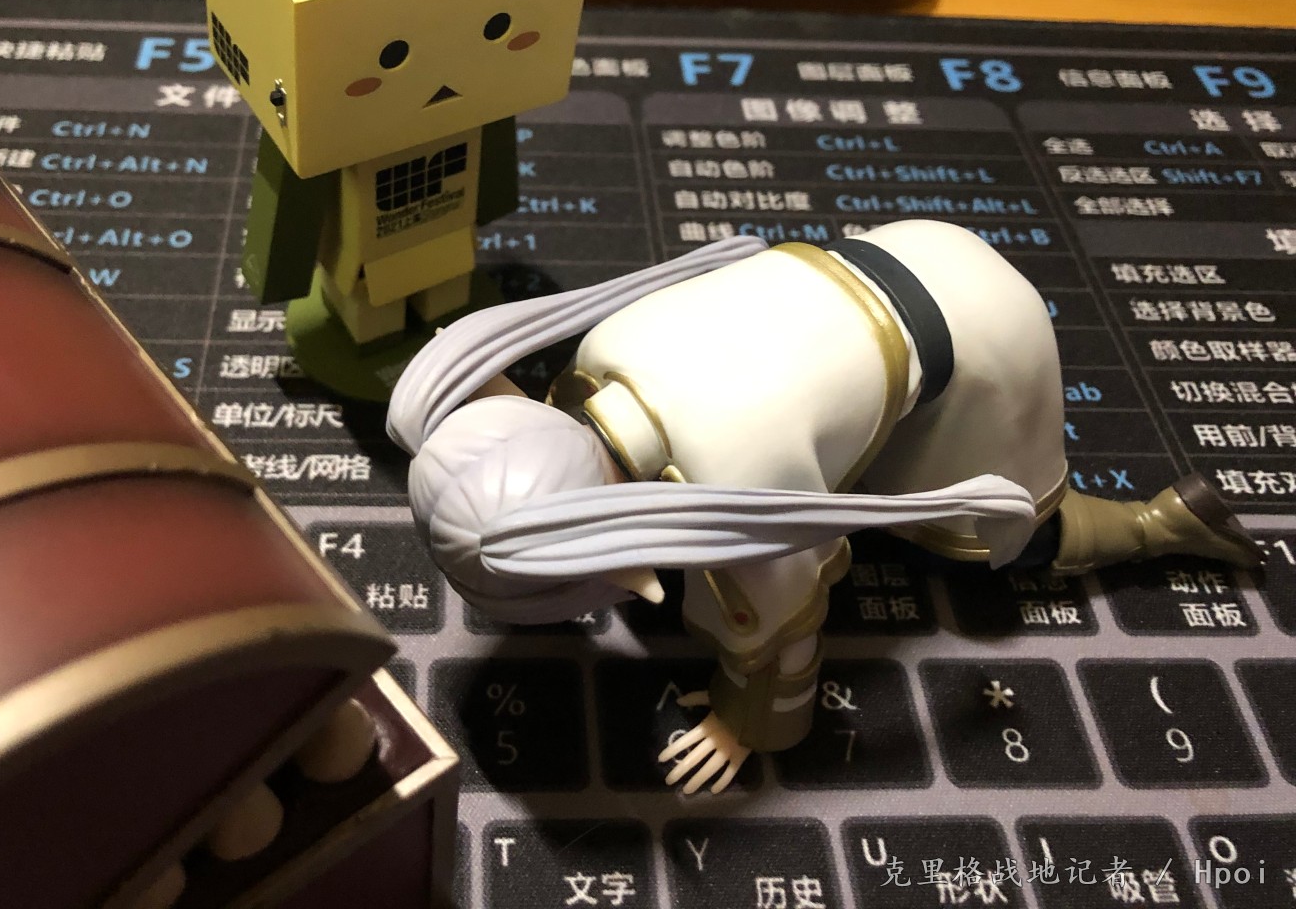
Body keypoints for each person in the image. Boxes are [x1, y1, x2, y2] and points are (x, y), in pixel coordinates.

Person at [387, 220, 1260, 794]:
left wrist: (746, 722)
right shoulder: (598, 356)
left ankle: (1162, 524)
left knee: (990, 542)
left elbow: (786, 623)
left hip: (978, 333)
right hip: (895, 250)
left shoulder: (732, 489)